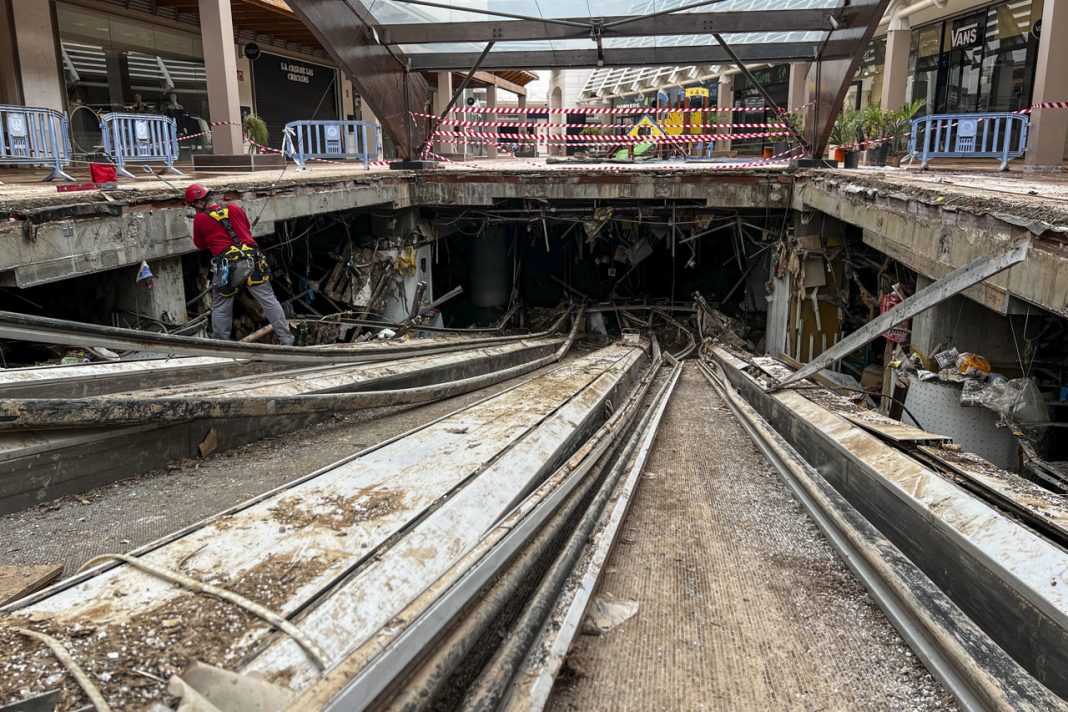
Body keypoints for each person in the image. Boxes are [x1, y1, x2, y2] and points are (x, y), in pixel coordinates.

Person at [184, 183, 295, 345]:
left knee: (222, 306)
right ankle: (287, 340)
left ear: (199, 203)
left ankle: (220, 346)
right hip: (253, 261)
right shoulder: (234, 208)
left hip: (227, 268)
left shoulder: (200, 219)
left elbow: (200, 246)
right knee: (269, 301)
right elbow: (246, 228)